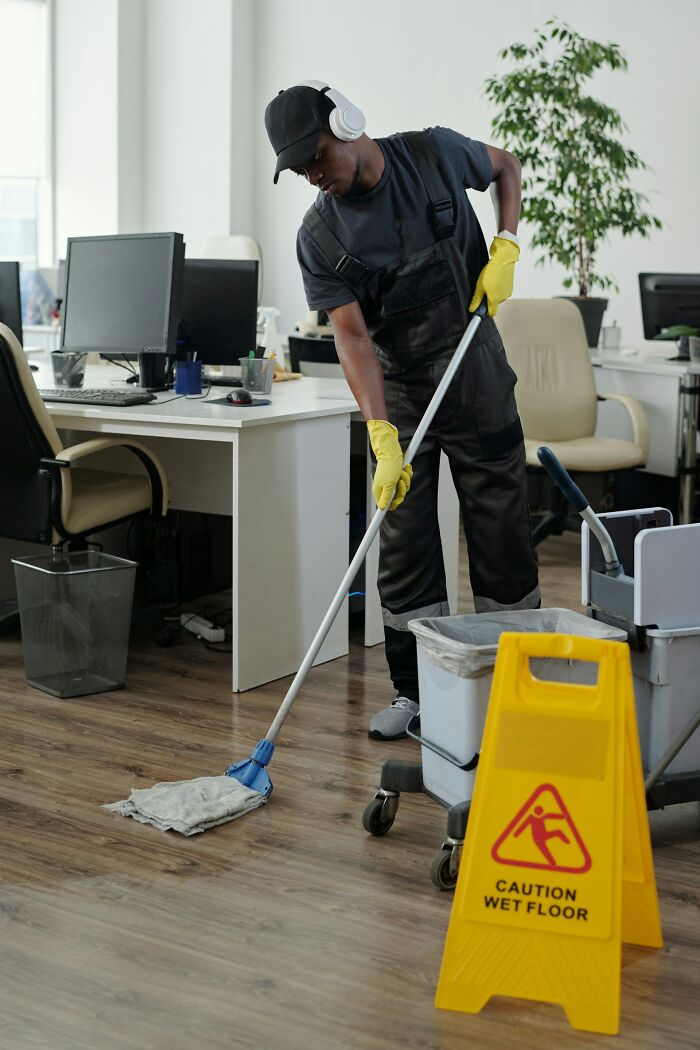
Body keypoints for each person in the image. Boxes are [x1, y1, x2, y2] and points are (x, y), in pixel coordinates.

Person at [265, 80, 540, 740]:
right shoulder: (320, 236)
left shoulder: (435, 154)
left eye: (316, 158)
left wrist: (506, 243)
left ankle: (517, 682)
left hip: (475, 370)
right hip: (401, 393)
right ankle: (420, 694)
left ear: (347, 122)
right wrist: (381, 434)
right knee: (405, 543)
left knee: (499, 527)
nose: (313, 177)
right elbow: (353, 337)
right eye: (299, 169)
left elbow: (507, 166)